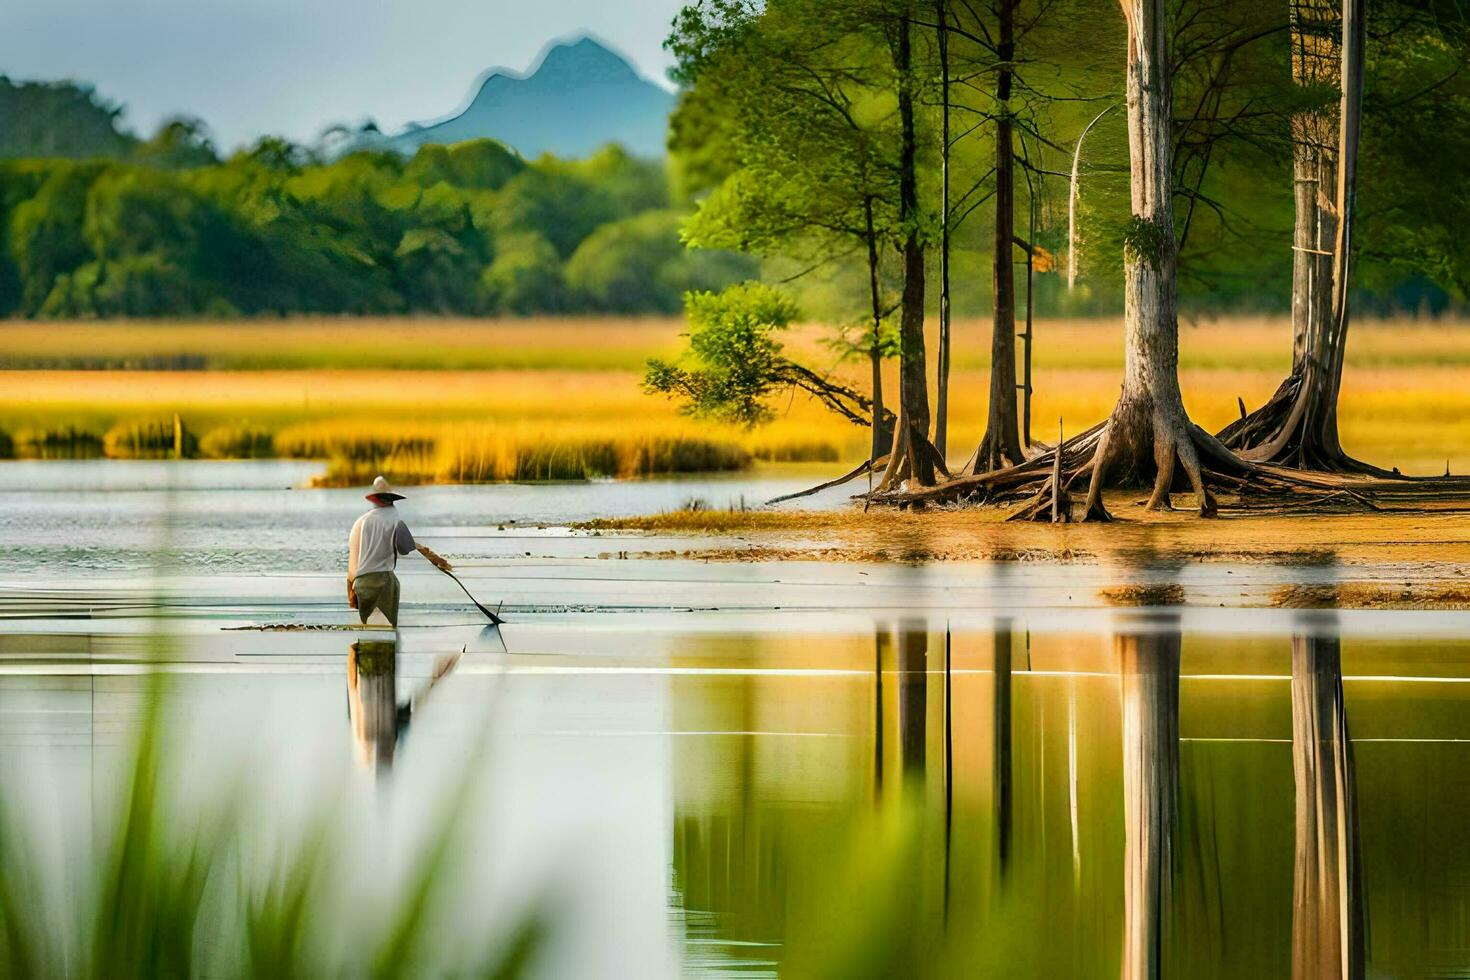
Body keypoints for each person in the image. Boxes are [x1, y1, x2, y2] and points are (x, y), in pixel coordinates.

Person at [346, 475, 451, 626]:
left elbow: (351, 567)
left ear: (374, 500)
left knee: (365, 629)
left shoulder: (359, 523)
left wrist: (351, 591)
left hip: (360, 584)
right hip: (384, 583)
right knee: (388, 629)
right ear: (391, 500)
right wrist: (436, 559)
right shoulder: (395, 519)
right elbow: (406, 547)